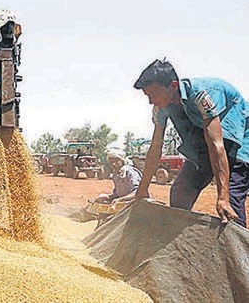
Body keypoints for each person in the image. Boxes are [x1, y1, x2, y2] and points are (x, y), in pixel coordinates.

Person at [133, 59, 249, 228]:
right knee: (181, 190)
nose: (151, 101)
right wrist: (142, 189)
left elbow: (216, 145)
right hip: (206, 146)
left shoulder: (202, 95)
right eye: (148, 96)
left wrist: (222, 198)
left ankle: (238, 253)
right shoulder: (160, 107)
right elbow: (155, 148)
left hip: (239, 143)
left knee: (230, 204)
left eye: (154, 94)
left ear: (173, 86)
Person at [83, 149, 143, 222]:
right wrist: (108, 196)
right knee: (102, 207)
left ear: (122, 161)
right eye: (111, 162)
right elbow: (117, 193)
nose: (114, 164)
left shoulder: (131, 173)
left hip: (138, 204)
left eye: (116, 161)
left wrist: (120, 199)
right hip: (124, 203)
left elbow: (138, 192)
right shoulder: (115, 175)